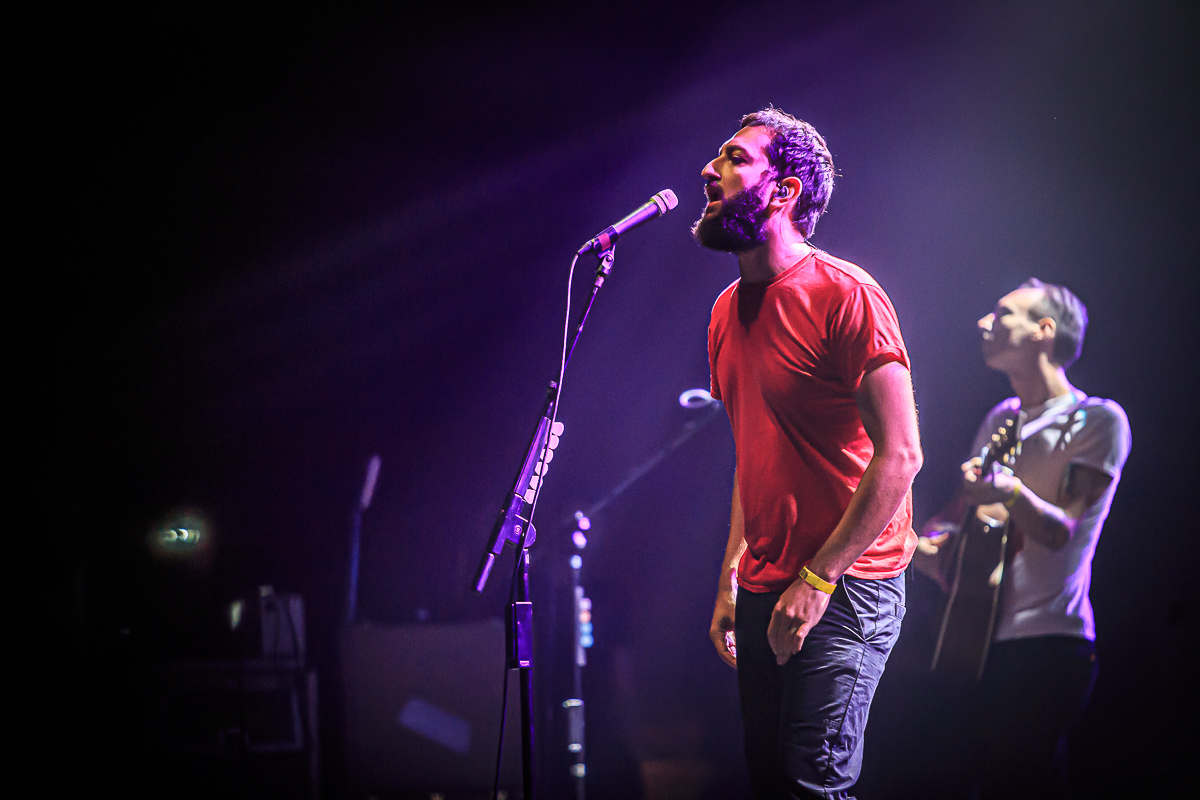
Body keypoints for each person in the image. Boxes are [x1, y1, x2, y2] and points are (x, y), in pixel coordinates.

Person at [698, 107, 923, 799]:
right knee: (771, 784)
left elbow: (902, 455)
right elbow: (754, 452)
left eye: (735, 158)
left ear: (785, 190)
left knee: (810, 785)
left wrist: (819, 580)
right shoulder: (723, 310)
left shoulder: (845, 293)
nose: (710, 170)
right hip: (768, 586)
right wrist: (733, 574)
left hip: (847, 588)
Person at [918, 279, 1132, 799]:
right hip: (976, 637)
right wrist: (931, 543)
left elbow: (1062, 529)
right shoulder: (1000, 420)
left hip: (1048, 645)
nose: (983, 323)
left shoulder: (1096, 419)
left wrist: (1007, 491)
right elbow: (957, 518)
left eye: (1003, 313)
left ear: (1044, 331)